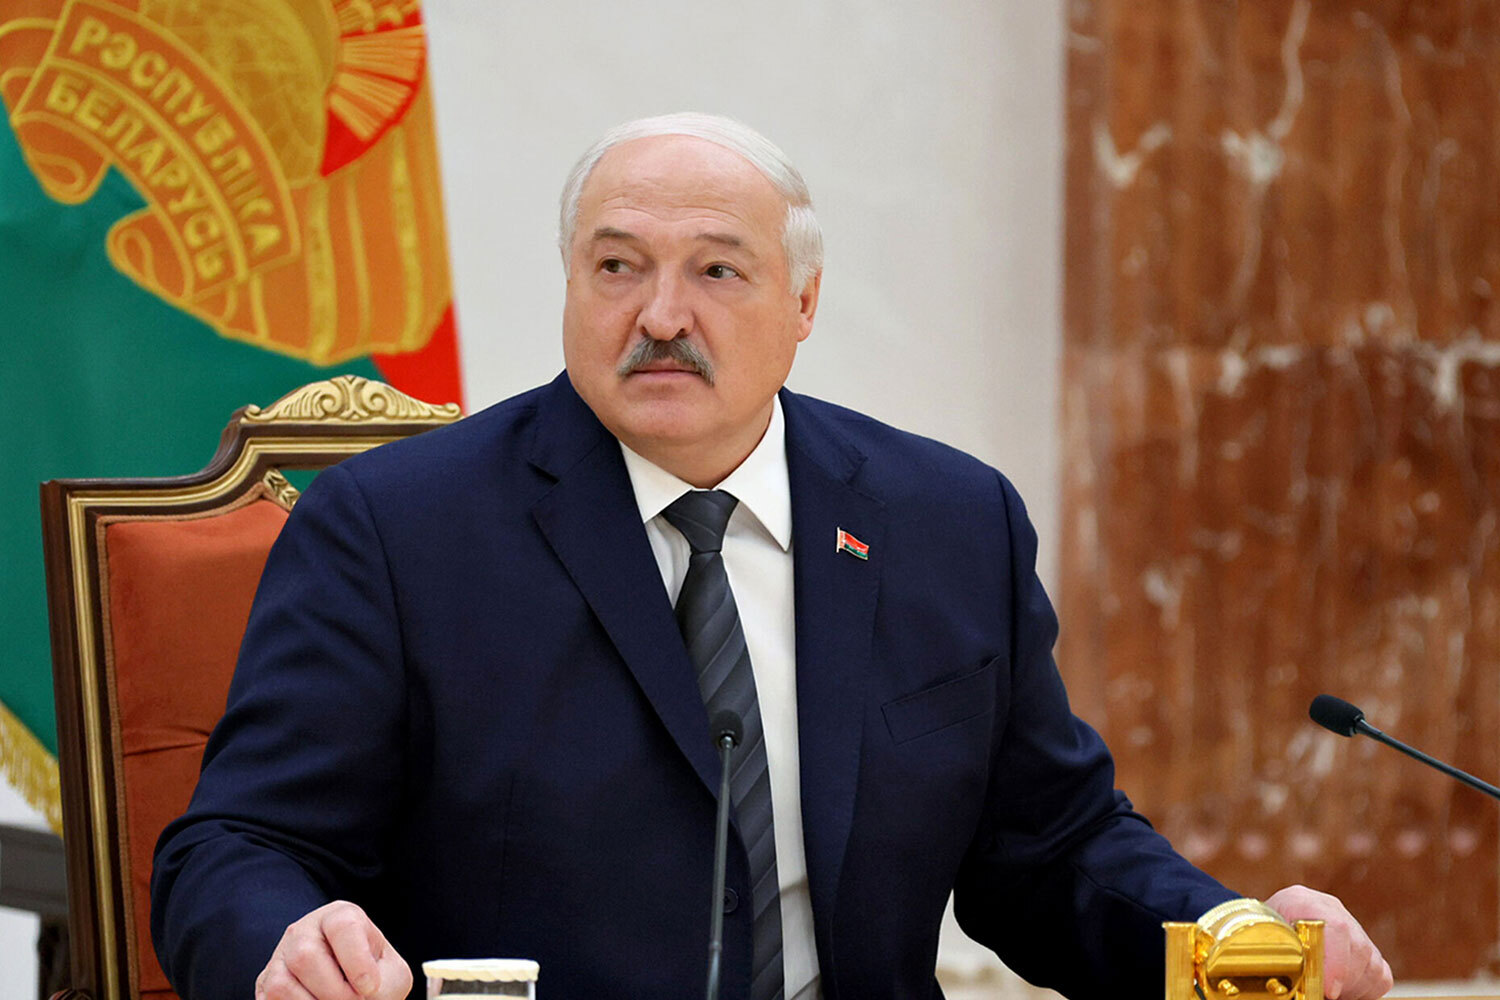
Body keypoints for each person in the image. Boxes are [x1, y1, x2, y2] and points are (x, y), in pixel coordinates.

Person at [151, 113, 1393, 1000]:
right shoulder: (396, 529)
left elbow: (1049, 849)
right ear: (571, 285)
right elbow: (237, 846)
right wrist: (286, 942)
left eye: (717, 271)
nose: (660, 316)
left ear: (803, 305)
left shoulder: (948, 522)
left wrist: (1235, 941)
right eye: (617, 267)